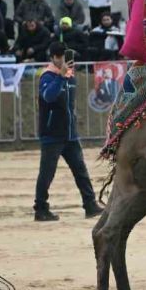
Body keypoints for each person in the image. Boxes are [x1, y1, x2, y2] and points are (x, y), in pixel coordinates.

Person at [33, 42, 104, 222]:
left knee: (80, 170)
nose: (67, 61)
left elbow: (69, 103)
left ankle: (90, 204)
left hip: (70, 134)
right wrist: (61, 77)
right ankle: (40, 209)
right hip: (52, 134)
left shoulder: (70, 77)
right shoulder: (47, 76)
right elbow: (48, 96)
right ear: (55, 58)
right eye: (63, 58)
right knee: (47, 173)